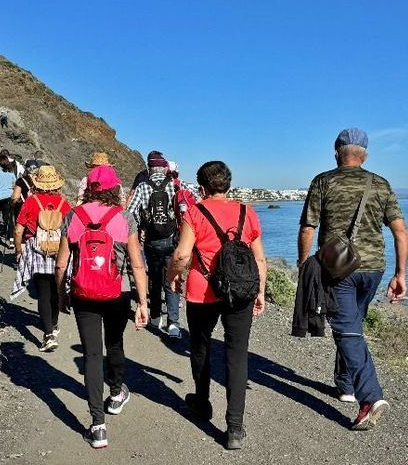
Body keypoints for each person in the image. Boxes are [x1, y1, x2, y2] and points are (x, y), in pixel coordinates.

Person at [298, 128, 408, 430]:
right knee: (353, 323)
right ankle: (345, 385)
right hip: (374, 269)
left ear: (337, 152)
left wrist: (303, 263)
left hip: (338, 269)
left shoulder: (323, 181)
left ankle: (369, 397)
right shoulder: (381, 184)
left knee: (347, 330)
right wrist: (401, 274)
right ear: (365, 154)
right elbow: (400, 231)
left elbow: (308, 227)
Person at [167, 160, 266, 450]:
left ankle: (202, 401)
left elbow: (183, 255)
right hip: (241, 290)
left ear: (201, 187)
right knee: (237, 355)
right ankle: (234, 427)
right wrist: (260, 291)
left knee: (200, 345)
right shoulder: (247, 212)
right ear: (228, 184)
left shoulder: (195, 213)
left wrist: (171, 277)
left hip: (203, 290)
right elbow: (259, 258)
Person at [55, 165, 148, 449]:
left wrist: (61, 294)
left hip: (84, 294)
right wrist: (143, 302)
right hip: (116, 294)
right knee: (115, 344)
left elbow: (61, 264)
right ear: (115, 189)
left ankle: (97, 425)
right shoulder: (124, 217)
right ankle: (117, 394)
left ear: (89, 188)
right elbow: (136, 264)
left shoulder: (73, 216)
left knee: (92, 356)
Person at [127, 157, 192, 338]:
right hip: (172, 240)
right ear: (164, 169)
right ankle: (173, 325)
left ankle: (155, 317)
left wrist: (141, 228)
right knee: (172, 279)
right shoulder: (177, 185)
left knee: (154, 279)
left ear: (149, 169)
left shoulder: (143, 186)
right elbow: (191, 206)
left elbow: (130, 212)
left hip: (151, 241)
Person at [14, 166, 71, 351]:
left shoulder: (31, 201)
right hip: (59, 251)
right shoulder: (64, 204)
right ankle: (53, 325)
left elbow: (18, 230)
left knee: (43, 293)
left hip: (36, 250)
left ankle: (48, 335)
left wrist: (18, 250)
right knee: (56, 290)